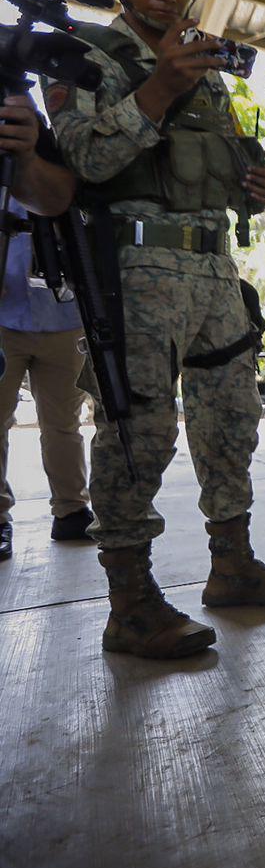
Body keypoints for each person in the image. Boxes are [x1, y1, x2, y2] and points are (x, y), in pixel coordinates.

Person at [43, 0, 265, 659]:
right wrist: (158, 88)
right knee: (140, 431)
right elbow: (85, 160)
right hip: (136, 271)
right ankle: (131, 603)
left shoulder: (205, 67)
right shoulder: (84, 57)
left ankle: (233, 566)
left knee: (232, 421)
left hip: (214, 268)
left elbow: (214, 164)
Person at [0, 95, 86, 561]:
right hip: (4, 317)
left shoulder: (62, 168)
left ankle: (71, 510)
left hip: (62, 317)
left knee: (64, 424)